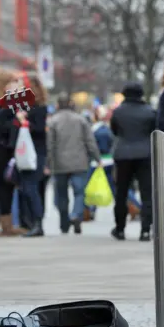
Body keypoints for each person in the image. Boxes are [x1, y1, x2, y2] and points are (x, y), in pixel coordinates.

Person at [47, 93, 102, 234]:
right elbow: (90, 141)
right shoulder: (81, 120)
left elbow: (50, 145)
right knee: (79, 192)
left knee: (61, 194)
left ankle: (64, 224)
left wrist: (48, 163)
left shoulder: (53, 121)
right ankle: (76, 215)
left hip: (60, 163)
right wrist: (97, 158)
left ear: (58, 105)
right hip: (79, 161)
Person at [109, 83, 156, 241]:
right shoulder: (149, 111)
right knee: (146, 194)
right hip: (144, 154)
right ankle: (145, 230)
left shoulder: (118, 112)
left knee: (121, 193)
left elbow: (115, 131)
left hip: (123, 155)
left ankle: (120, 228)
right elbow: (153, 131)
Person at [0, 71, 28, 236]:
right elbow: (1, 125)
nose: (17, 85)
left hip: (7, 150)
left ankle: (6, 225)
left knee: (6, 187)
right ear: (4, 85)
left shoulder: (10, 103)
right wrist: (17, 120)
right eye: (13, 82)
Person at [18, 74, 48, 238]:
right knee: (28, 187)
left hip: (36, 152)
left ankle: (37, 223)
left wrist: (25, 121)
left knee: (31, 187)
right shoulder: (29, 107)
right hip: (29, 151)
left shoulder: (39, 108)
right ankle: (32, 222)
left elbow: (39, 129)